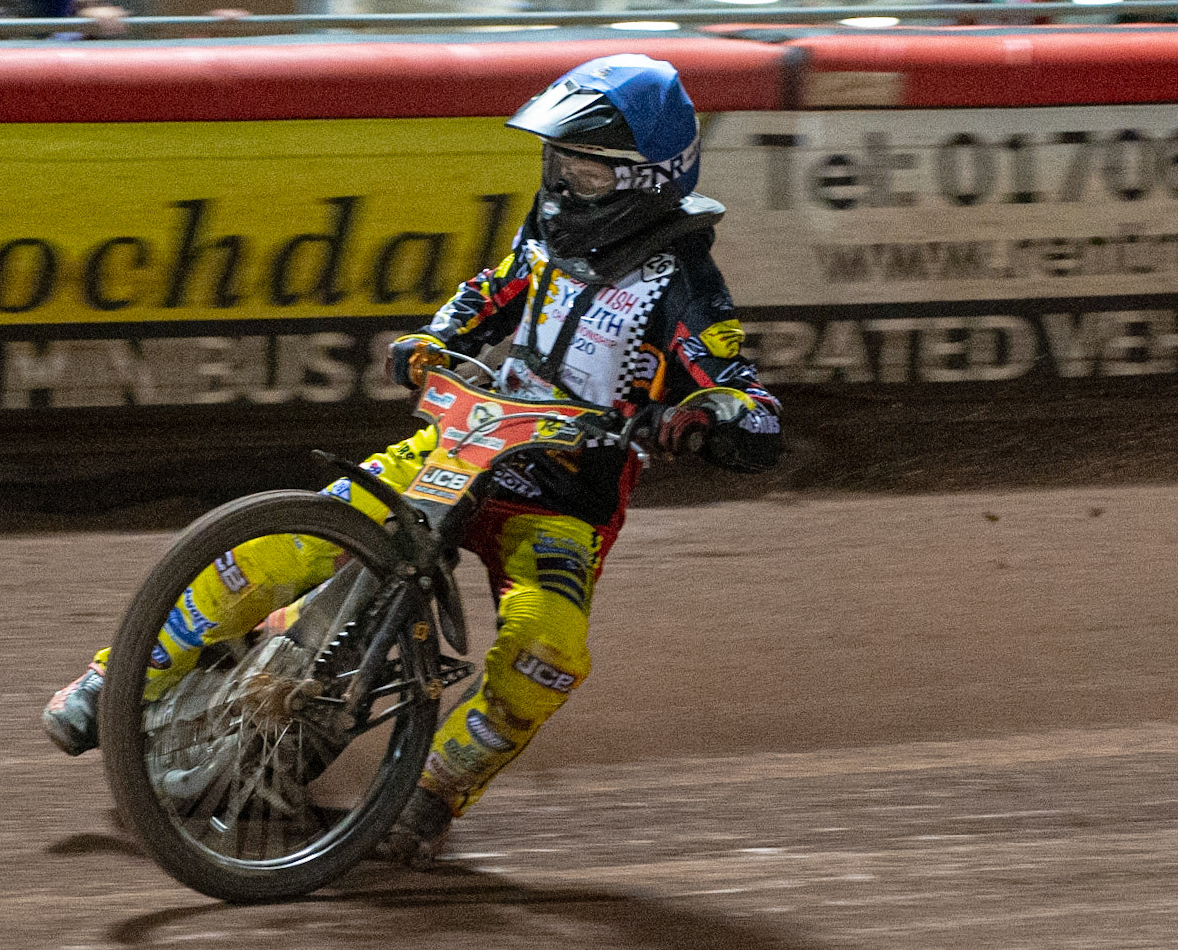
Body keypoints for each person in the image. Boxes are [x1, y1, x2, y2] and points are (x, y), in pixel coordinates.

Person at [42, 53, 782, 867]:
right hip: (462, 441)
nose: (562, 182)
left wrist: (706, 417)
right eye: (557, 162)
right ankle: (114, 683)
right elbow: (483, 296)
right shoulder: (541, 236)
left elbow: (743, 396)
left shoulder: (684, 285)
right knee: (286, 540)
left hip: (561, 498)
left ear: (644, 181)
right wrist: (433, 340)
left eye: (583, 168)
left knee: (546, 654)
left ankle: (433, 792)